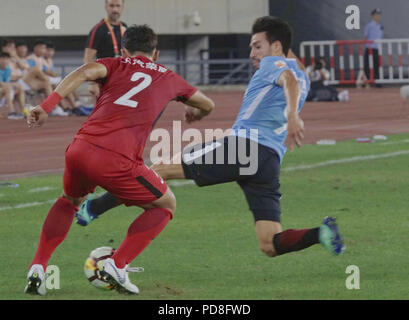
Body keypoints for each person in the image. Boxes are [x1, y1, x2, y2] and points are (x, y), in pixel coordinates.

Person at [76, 17, 345, 262]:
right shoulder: (303, 75)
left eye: (257, 46)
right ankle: (319, 233)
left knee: (159, 169)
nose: (252, 53)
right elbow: (293, 76)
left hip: (244, 147)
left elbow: (288, 79)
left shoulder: (274, 65)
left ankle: (94, 207)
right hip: (269, 161)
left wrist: (293, 117)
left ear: (276, 47)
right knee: (269, 243)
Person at [24, 24, 215, 296]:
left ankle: (37, 268)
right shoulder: (170, 78)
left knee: (69, 201)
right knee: (165, 203)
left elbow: (83, 71)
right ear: (156, 54)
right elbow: (208, 103)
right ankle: (117, 264)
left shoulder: (115, 63)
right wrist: (195, 110)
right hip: (117, 159)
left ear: (124, 50)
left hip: (80, 149)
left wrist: (46, 106)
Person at [85, 0, 127, 98]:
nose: (115, 9)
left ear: (122, 7)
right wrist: (92, 83)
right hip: (105, 77)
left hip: (122, 76)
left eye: (118, 6)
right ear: (106, 7)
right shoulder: (98, 29)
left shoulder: (125, 27)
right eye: (111, 6)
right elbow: (88, 58)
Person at [0, 52, 24, 119]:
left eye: (7, 59)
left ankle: (23, 110)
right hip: (2, 90)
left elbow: (6, 83)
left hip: (3, 90)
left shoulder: (8, 69)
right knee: (8, 88)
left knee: (19, 87)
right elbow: (1, 83)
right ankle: (11, 112)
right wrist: (13, 84)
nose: (5, 61)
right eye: (3, 59)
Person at [364, 8, 383, 86]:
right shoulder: (369, 26)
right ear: (373, 16)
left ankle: (377, 82)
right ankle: (367, 81)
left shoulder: (380, 26)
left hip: (376, 48)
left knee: (376, 65)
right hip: (369, 47)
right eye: (376, 15)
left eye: (379, 15)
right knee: (367, 65)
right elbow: (365, 37)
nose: (378, 16)